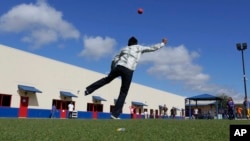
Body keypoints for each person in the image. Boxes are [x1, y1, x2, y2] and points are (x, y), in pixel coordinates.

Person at [84, 36, 168, 119]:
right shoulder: (139, 47)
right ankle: (115, 114)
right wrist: (162, 44)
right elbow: (152, 48)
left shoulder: (124, 49)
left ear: (129, 43)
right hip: (128, 70)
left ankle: (88, 90)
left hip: (119, 67)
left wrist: (112, 70)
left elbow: (115, 59)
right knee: (123, 92)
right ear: (136, 43)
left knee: (107, 79)